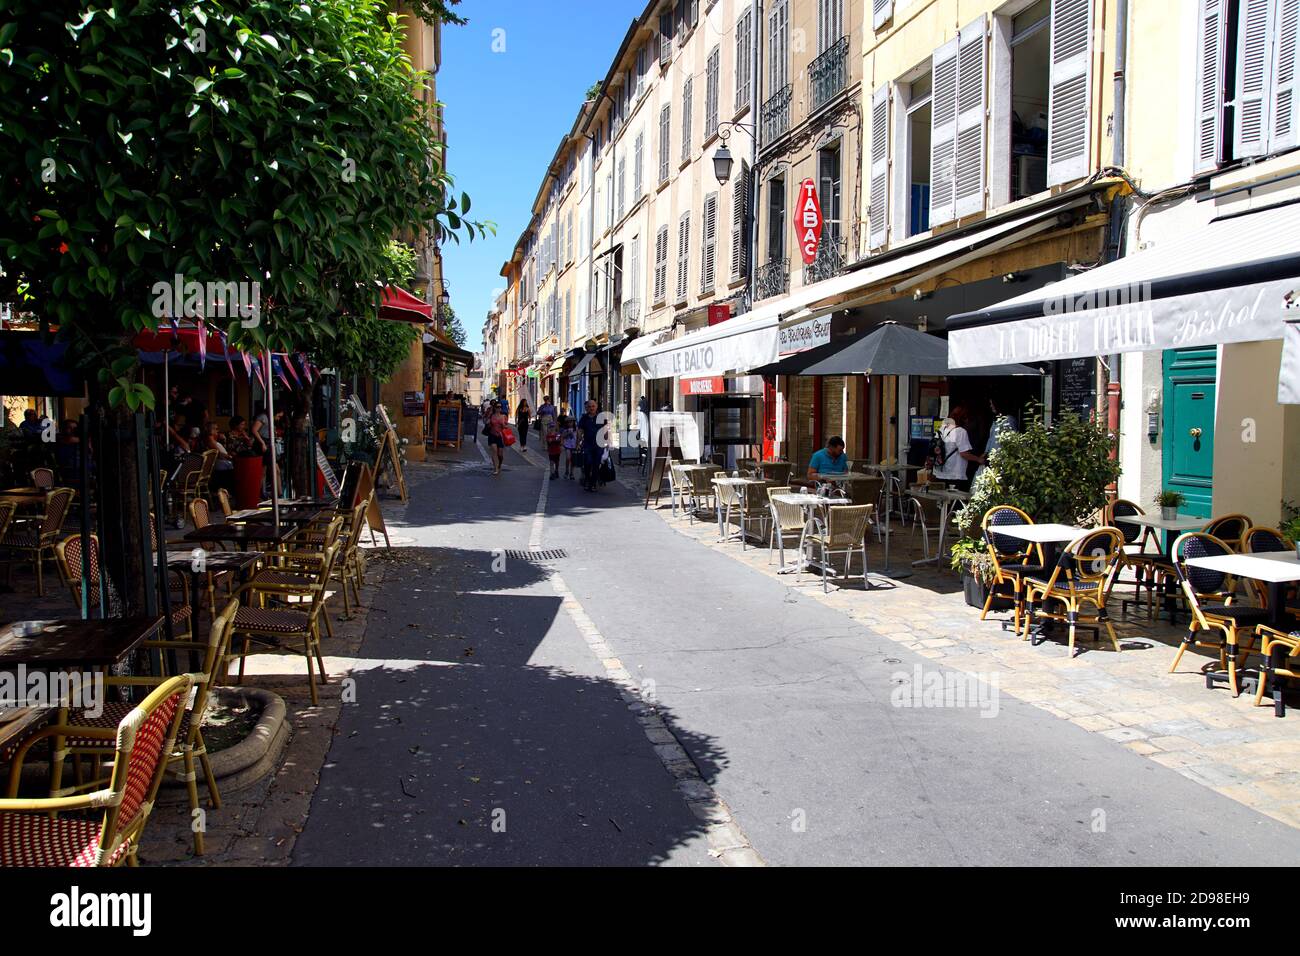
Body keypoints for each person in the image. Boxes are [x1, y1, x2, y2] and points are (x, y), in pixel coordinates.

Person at [931, 406, 980, 492]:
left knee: (942, 502)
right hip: (954, 474)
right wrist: (978, 459)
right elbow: (964, 454)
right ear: (964, 418)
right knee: (954, 501)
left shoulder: (943, 428)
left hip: (939, 471)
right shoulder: (960, 431)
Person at [974, 397, 1019, 481]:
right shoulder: (995, 421)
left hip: (1001, 457)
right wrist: (985, 452)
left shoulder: (1009, 420)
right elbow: (991, 438)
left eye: (992, 404)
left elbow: (1013, 439)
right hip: (992, 457)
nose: (991, 406)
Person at [576, 399, 603, 492]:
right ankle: (587, 480)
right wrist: (578, 443)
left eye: (593, 406)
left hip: (599, 445)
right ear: (587, 408)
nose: (591, 408)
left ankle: (593, 483)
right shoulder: (584, 418)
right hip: (587, 444)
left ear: (596, 407)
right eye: (589, 406)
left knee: (596, 465)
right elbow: (580, 431)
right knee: (587, 462)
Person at [485, 400, 507, 476]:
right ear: (495, 408)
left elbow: (506, 426)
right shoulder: (491, 416)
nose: (499, 408)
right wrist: (488, 422)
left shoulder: (503, 416)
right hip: (492, 435)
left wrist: (504, 426)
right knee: (494, 451)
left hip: (500, 436)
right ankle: (496, 468)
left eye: (500, 407)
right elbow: (486, 421)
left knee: (500, 454)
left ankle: (499, 464)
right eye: (497, 407)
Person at [560, 415, 577, 480]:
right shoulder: (565, 430)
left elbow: (578, 436)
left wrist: (578, 443)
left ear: (574, 422)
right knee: (568, 458)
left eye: (571, 422)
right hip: (567, 446)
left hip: (574, 445)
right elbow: (562, 436)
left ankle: (571, 473)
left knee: (573, 460)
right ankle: (567, 470)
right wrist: (567, 434)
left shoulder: (576, 429)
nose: (570, 423)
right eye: (569, 422)